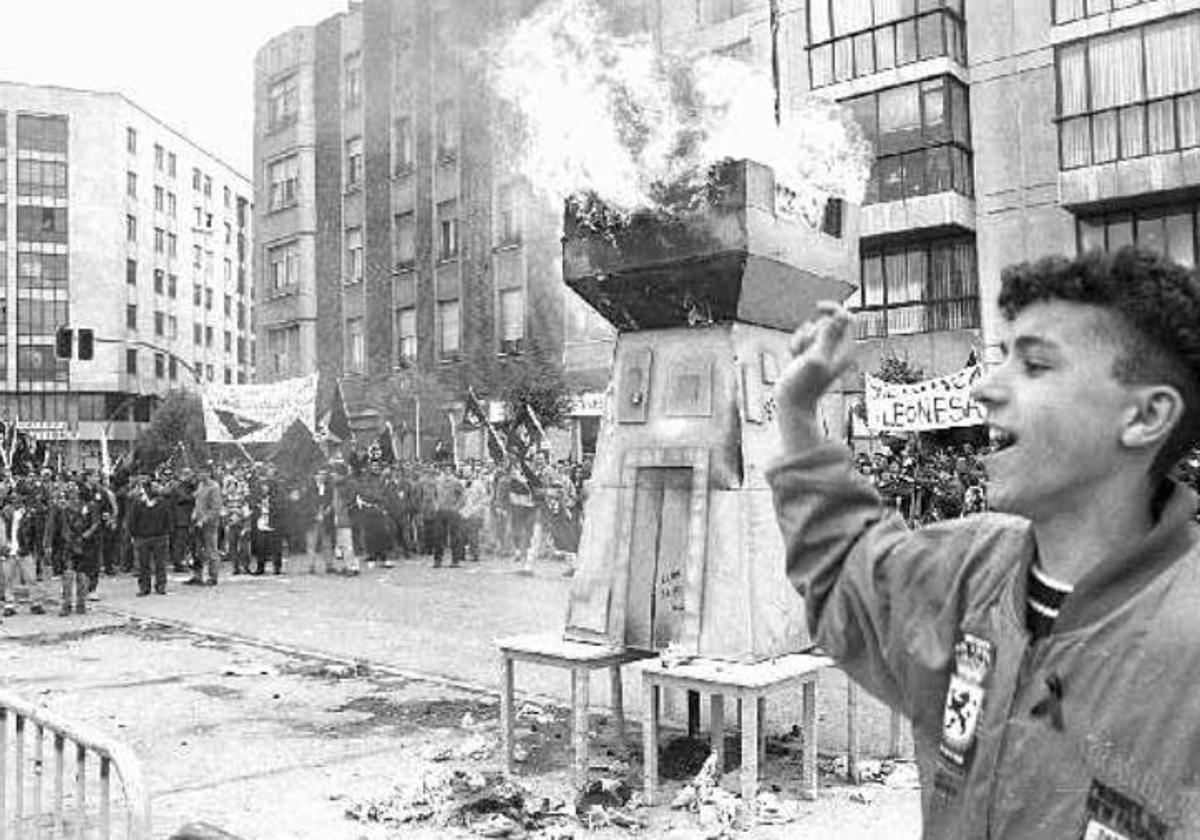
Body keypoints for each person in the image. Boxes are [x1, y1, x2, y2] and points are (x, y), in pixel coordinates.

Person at [767, 247, 1200, 838]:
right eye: (1001, 360)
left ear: (1146, 416)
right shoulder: (965, 570)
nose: (985, 390)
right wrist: (795, 411)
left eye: (1036, 365)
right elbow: (849, 578)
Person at [127, 477, 172, 596]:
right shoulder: (138, 503)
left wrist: (166, 533)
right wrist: (134, 534)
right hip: (142, 537)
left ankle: (161, 586)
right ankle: (144, 587)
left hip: (160, 536)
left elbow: (168, 519)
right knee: (143, 564)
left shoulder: (162, 502)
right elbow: (132, 520)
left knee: (160, 563)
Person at [189, 465, 223, 585]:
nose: (198, 475)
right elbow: (198, 503)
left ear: (208, 473)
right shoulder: (200, 485)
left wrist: (204, 520)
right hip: (197, 523)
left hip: (209, 525)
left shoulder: (214, 487)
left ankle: (213, 577)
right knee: (197, 551)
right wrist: (194, 514)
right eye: (198, 473)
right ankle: (197, 576)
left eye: (201, 473)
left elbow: (216, 508)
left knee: (211, 550)